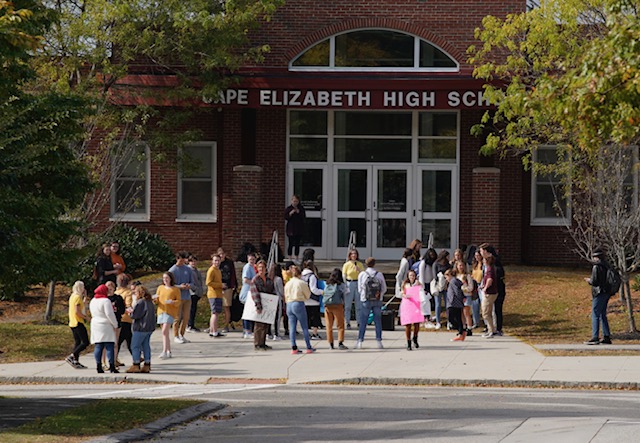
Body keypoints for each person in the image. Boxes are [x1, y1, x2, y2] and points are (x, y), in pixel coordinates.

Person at [356, 257, 387, 349]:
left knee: (363, 321)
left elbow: (359, 289)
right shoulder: (379, 274)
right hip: (377, 300)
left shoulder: (362, 274)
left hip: (365, 299)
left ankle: (360, 341)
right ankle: (379, 341)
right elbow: (384, 288)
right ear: (374, 264)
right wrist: (379, 295)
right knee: (377, 321)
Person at [284, 265, 315, 354]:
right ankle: (308, 346)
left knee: (292, 326)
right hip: (298, 302)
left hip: (289, 303)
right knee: (304, 326)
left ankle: (293, 347)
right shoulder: (302, 283)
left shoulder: (288, 283)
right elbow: (308, 294)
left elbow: (285, 294)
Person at [584, 249, 613, 345]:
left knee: (595, 313)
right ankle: (606, 336)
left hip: (599, 292)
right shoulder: (607, 265)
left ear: (596, 257)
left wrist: (589, 280)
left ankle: (595, 336)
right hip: (607, 292)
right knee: (602, 314)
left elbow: (595, 281)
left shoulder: (596, 267)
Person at [126, 285, 156, 374]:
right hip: (149, 328)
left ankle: (136, 364)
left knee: (135, 346)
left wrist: (130, 313)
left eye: (135, 292)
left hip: (140, 327)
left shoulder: (140, 303)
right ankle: (147, 364)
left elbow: (135, 315)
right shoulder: (150, 302)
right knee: (146, 346)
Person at [89, 284, 119, 374]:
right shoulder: (106, 301)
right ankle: (112, 366)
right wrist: (115, 324)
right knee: (109, 345)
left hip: (95, 324)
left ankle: (98, 365)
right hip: (105, 324)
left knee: (98, 345)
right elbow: (109, 314)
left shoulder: (93, 300)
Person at [479, 243, 506, 335]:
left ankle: (497, 328)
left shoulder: (494, 261)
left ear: (486, 251)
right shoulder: (485, 261)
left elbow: (498, 274)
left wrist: (488, 285)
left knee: (496, 309)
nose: (480, 253)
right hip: (488, 288)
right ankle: (490, 327)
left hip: (496, 288)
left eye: (481, 251)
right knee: (488, 310)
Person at [168, 251, 195, 344]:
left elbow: (192, 282)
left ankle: (182, 334)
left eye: (184, 260)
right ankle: (175, 335)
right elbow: (170, 284)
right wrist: (180, 286)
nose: (183, 262)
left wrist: (189, 285)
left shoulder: (188, 269)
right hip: (177, 297)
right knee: (177, 317)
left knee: (186, 317)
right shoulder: (172, 270)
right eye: (181, 260)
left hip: (187, 296)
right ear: (177, 259)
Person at [250, 259, 276, 351]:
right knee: (259, 325)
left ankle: (263, 343)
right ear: (257, 268)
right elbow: (255, 293)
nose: (261, 269)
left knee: (265, 324)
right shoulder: (255, 280)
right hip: (259, 305)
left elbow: (273, 291)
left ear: (266, 269)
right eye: (259, 267)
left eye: (263, 267)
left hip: (268, 305)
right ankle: (257, 344)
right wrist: (258, 306)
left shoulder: (269, 280)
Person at [155, 272, 181, 358]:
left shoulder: (175, 289)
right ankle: (168, 350)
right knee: (165, 333)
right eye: (164, 278)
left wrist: (173, 302)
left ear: (170, 279)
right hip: (161, 311)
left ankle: (164, 351)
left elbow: (178, 301)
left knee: (164, 331)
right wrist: (154, 299)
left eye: (167, 278)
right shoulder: (160, 288)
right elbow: (157, 300)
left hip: (170, 312)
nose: (165, 280)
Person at [66, 281, 89, 369]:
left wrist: (85, 297)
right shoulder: (77, 298)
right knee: (85, 342)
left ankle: (76, 361)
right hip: (78, 322)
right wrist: (86, 318)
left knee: (78, 342)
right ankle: (72, 355)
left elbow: (81, 305)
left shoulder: (73, 296)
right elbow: (77, 311)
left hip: (72, 322)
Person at [323, 268, 348, 350]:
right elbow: (347, 292)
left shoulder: (327, 283)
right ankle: (340, 342)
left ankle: (330, 343)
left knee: (329, 325)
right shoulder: (341, 284)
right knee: (340, 325)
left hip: (328, 305)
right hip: (338, 305)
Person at [400, 269, 424, 351]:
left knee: (417, 323)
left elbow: (421, 291)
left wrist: (419, 285)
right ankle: (408, 342)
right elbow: (402, 292)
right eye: (410, 275)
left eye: (413, 275)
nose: (412, 277)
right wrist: (405, 295)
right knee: (408, 324)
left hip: (416, 304)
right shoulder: (405, 284)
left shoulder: (417, 283)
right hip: (408, 304)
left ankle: (415, 337)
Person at [103, 281, 125, 370]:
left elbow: (122, 310)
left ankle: (114, 360)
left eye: (111, 286)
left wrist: (116, 309)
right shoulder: (104, 299)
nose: (109, 288)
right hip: (106, 323)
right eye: (107, 287)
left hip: (116, 322)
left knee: (115, 343)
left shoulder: (118, 298)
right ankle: (104, 362)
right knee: (105, 344)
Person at [342, 248, 364, 330]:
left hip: (357, 283)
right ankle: (347, 322)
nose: (354, 255)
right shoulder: (346, 264)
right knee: (348, 305)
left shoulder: (359, 264)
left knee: (358, 304)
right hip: (349, 283)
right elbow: (344, 275)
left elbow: (363, 274)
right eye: (352, 254)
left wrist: (360, 270)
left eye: (355, 254)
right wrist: (345, 286)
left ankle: (359, 321)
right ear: (350, 255)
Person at [301, 260, 323, 340]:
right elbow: (313, 289)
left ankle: (306, 334)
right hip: (313, 300)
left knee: (306, 318)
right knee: (315, 318)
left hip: (304, 299)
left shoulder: (301, 276)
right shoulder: (312, 276)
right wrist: (321, 292)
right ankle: (315, 334)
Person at [430, 249, 451, 329]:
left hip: (446, 286)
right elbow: (434, 276)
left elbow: (450, 274)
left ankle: (449, 321)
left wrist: (446, 284)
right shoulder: (436, 264)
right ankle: (438, 322)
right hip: (438, 286)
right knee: (438, 304)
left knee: (447, 304)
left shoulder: (447, 265)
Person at [115, 274, 134, 366]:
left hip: (116, 318)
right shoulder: (128, 293)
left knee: (126, 338)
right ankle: (136, 357)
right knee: (125, 339)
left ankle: (136, 356)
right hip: (126, 318)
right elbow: (128, 305)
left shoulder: (116, 292)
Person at [218, 248, 238, 332]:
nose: (221, 256)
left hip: (227, 287)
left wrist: (233, 285)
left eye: (223, 254)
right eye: (220, 254)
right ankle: (214, 325)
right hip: (217, 287)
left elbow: (232, 274)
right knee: (216, 308)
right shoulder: (217, 263)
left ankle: (226, 325)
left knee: (226, 306)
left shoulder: (229, 263)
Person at [206, 254, 225, 338]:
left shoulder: (218, 270)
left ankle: (212, 330)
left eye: (218, 260)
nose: (217, 262)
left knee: (215, 313)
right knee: (215, 313)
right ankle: (214, 331)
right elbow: (208, 283)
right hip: (213, 294)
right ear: (212, 261)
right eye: (215, 260)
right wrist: (220, 285)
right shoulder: (211, 270)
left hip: (218, 294)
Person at [239, 252, 257, 338]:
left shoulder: (253, 267)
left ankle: (248, 330)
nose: (252, 261)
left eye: (253, 259)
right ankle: (247, 331)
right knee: (247, 312)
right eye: (250, 259)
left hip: (251, 292)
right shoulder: (247, 267)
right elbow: (245, 280)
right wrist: (254, 284)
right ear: (247, 259)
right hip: (247, 292)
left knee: (250, 312)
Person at [445, 269, 466, 341]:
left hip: (453, 303)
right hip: (455, 303)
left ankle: (462, 331)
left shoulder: (453, 281)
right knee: (458, 318)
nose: (446, 279)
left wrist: (459, 299)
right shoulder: (454, 281)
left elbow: (457, 291)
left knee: (451, 318)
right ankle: (461, 333)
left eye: (446, 277)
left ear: (450, 275)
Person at [480, 255, 498, 338]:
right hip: (492, 292)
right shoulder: (490, 269)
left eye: (484, 260)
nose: (483, 261)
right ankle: (491, 329)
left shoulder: (490, 269)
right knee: (489, 312)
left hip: (489, 293)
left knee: (486, 313)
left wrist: (485, 288)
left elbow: (490, 280)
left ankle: (491, 330)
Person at [455, 260, 475, 337]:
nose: (461, 267)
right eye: (459, 265)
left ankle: (469, 327)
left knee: (466, 312)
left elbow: (471, 287)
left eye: (462, 265)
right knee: (460, 313)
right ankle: (463, 327)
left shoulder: (467, 276)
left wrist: (464, 287)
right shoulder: (456, 276)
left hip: (466, 295)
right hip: (459, 296)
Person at [419, 248, 437, 328]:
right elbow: (421, 275)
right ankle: (425, 317)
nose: (432, 257)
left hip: (431, 284)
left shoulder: (433, 263)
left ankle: (430, 316)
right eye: (430, 255)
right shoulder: (424, 263)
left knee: (431, 301)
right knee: (425, 301)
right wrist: (422, 287)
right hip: (425, 284)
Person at [285, 194, 306, 262]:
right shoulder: (288, 208)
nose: (295, 203)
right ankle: (290, 257)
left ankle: (296, 257)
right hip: (291, 229)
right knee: (290, 243)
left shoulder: (301, 208)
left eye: (296, 201)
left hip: (298, 229)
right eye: (294, 201)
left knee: (297, 244)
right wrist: (290, 213)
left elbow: (303, 217)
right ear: (291, 201)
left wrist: (298, 212)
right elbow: (286, 217)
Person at [186, 255, 204, 333]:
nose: (193, 263)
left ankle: (192, 324)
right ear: (189, 262)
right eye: (191, 261)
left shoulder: (196, 270)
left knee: (193, 309)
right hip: (191, 292)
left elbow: (199, 281)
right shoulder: (188, 270)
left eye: (195, 261)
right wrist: (194, 288)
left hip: (196, 292)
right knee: (191, 309)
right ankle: (189, 325)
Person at [271, 263, 285, 340]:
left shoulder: (269, 278)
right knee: (277, 317)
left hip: (270, 298)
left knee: (270, 317)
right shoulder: (278, 279)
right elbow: (281, 291)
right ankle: (276, 334)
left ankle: (269, 333)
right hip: (277, 298)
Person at [471, 250, 484, 329]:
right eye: (475, 256)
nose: (477, 257)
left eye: (478, 255)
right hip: (475, 285)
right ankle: (476, 322)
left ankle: (487, 323)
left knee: (483, 305)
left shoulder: (483, 264)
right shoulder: (475, 264)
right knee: (475, 304)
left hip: (481, 285)